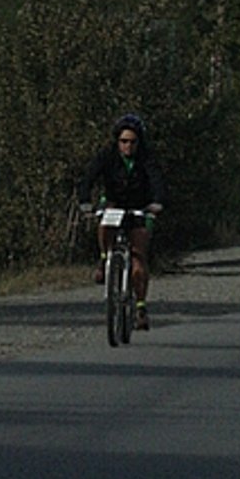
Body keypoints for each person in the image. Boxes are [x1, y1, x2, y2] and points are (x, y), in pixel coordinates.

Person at [78, 112, 166, 329]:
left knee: (138, 259)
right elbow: (89, 177)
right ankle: (104, 257)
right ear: (117, 141)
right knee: (105, 222)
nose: (128, 146)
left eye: (133, 142)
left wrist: (157, 203)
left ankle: (140, 306)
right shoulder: (106, 155)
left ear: (139, 142)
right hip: (114, 203)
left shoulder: (147, 158)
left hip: (139, 208)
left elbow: (158, 182)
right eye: (124, 141)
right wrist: (85, 201)